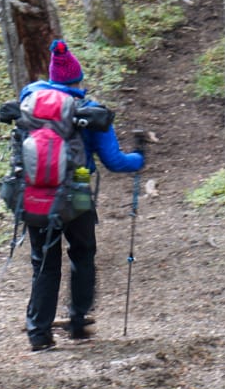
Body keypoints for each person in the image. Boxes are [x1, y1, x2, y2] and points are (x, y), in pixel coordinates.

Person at [19, 40, 145, 351]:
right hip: (75, 195)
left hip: (34, 195)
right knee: (82, 255)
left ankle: (39, 334)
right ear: (78, 79)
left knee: (43, 263)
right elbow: (115, 162)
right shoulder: (88, 112)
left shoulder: (30, 106)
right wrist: (140, 158)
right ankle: (78, 322)